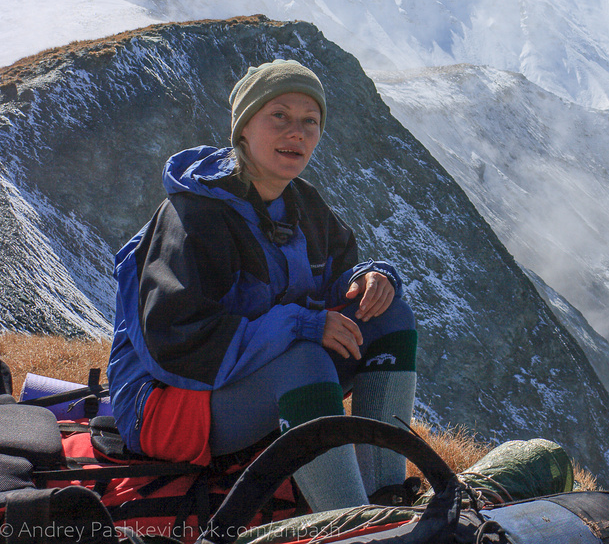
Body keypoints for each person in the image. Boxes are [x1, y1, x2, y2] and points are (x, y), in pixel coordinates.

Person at [107, 59, 418, 511]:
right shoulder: (194, 217)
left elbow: (337, 284)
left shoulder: (303, 204)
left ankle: (384, 493)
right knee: (304, 359)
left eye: (309, 122)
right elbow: (176, 344)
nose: (297, 132)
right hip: (166, 403)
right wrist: (301, 326)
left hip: (252, 379)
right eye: (280, 116)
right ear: (243, 129)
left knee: (389, 315)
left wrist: (371, 279)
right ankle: (349, 524)